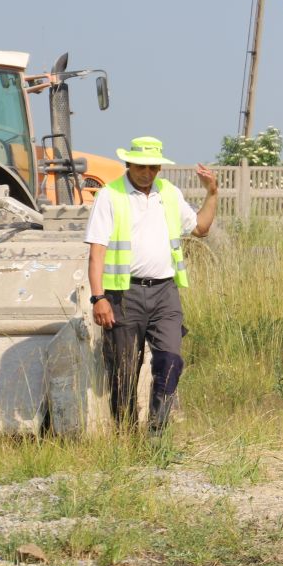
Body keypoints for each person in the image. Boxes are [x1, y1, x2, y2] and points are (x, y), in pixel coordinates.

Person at [84, 136, 218, 430]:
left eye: (153, 167)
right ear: (129, 164)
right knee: (124, 371)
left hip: (165, 293)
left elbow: (201, 228)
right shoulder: (110, 195)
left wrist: (211, 193)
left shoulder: (169, 193)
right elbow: (97, 252)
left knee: (171, 360)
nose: (147, 173)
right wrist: (98, 298)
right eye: (141, 166)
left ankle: (157, 430)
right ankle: (127, 432)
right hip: (123, 294)